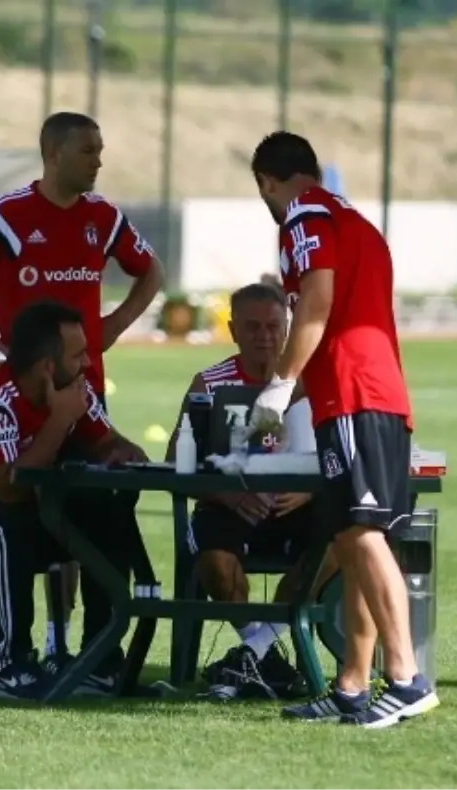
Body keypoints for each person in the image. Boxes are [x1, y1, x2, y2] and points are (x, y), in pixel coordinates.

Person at [0, 111, 158, 693]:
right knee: (16, 508)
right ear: (54, 154)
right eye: (89, 149)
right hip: (24, 393)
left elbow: (150, 270)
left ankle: (87, 653)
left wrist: (111, 327)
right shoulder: (6, 216)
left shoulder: (103, 217)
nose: (99, 159)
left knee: (96, 504)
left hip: (76, 391)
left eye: (100, 147)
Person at [246, 131, 438, 728]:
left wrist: (279, 383)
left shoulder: (302, 215)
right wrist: (296, 387)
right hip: (367, 394)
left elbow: (318, 303)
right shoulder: (353, 220)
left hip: (356, 397)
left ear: (268, 183)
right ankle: (352, 683)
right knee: (354, 538)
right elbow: (341, 317)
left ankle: (406, 678)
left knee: (359, 534)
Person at [0, 300, 144, 701]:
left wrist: (127, 452)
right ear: (47, 367)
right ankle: (11, 665)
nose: (89, 362)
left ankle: (99, 659)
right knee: (5, 528)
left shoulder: (72, 390)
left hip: (22, 506)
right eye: (78, 354)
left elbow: (108, 441)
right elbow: (8, 486)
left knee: (108, 514)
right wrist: (58, 421)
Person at [164, 283, 334, 701]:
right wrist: (226, 493)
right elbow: (176, 458)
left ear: (289, 328)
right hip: (228, 505)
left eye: (274, 326)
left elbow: (338, 454)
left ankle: (253, 652)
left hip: (293, 505)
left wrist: (309, 492)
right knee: (216, 565)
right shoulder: (209, 382)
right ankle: (265, 655)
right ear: (232, 329)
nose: (265, 336)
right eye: (252, 326)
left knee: (340, 541)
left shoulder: (310, 382)